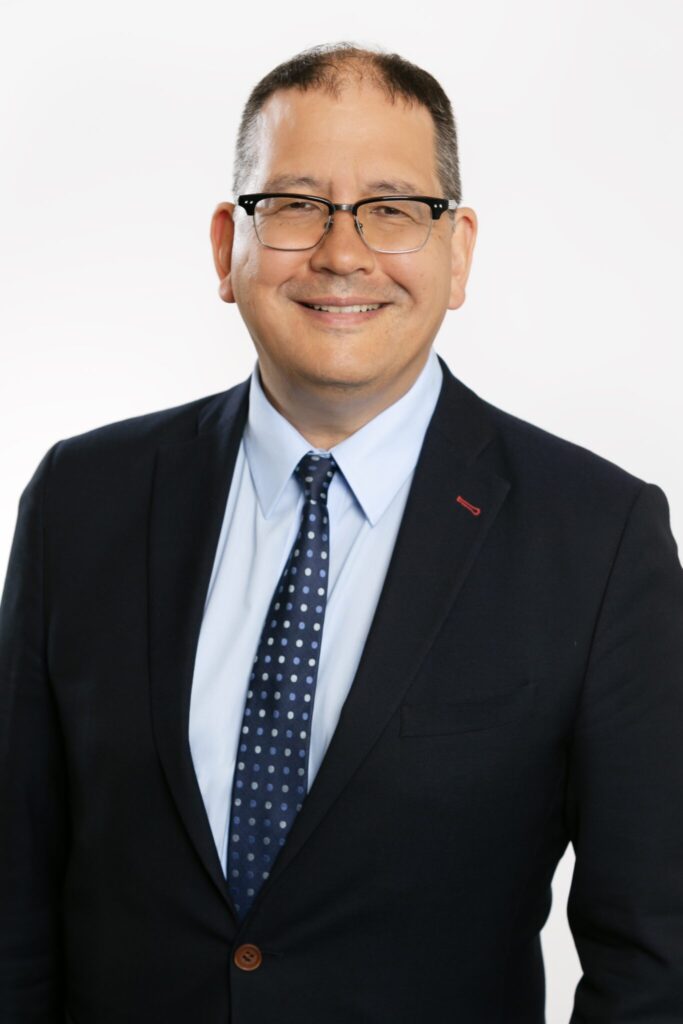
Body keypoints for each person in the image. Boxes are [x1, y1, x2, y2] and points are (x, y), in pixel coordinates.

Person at [1, 40, 682, 1024]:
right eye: (294, 205)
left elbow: (654, 962)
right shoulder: (82, 499)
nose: (341, 252)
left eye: (392, 209)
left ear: (458, 252)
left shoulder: (597, 539)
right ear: (226, 247)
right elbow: (15, 897)